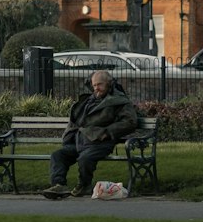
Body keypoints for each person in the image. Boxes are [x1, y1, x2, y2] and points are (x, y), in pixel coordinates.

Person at [43, 69, 138, 198]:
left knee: (85, 158)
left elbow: (130, 122)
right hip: (80, 142)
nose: (96, 88)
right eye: (94, 85)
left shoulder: (120, 101)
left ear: (109, 84)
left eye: (99, 84)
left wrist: (107, 131)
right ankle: (58, 186)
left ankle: (84, 185)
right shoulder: (88, 101)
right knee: (58, 155)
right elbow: (76, 120)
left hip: (100, 143)